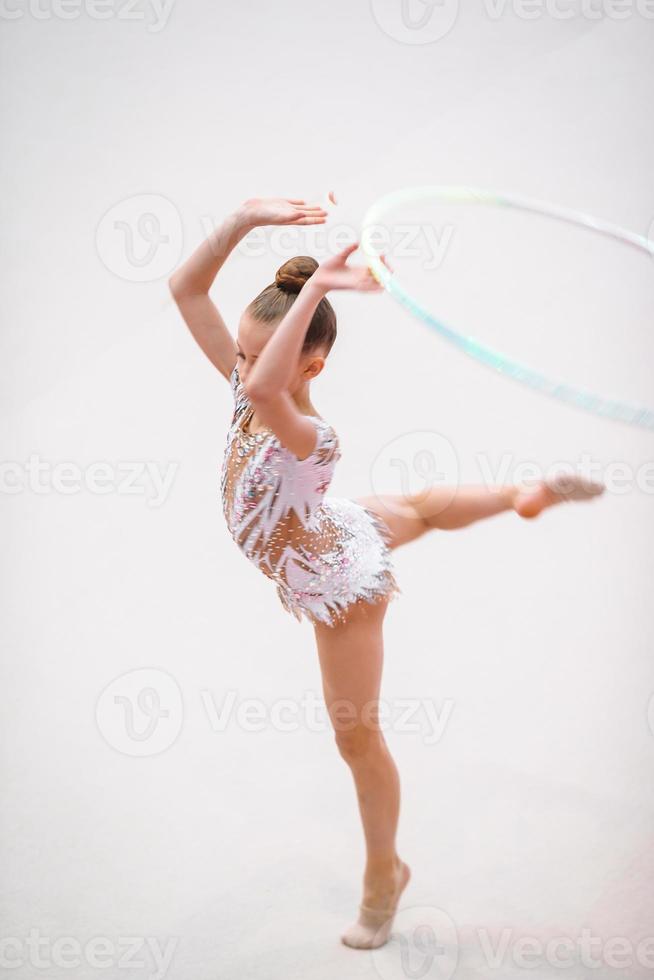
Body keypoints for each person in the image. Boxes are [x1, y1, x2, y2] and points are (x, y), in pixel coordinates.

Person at [169, 195, 605, 950]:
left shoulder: (310, 436)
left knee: (357, 740)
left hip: (341, 590)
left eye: (253, 356)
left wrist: (321, 289)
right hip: (335, 530)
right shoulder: (250, 389)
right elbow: (184, 289)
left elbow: (270, 390)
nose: (238, 369)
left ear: (314, 364)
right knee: (421, 508)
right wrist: (243, 219)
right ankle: (519, 493)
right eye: (238, 352)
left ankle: (385, 874)